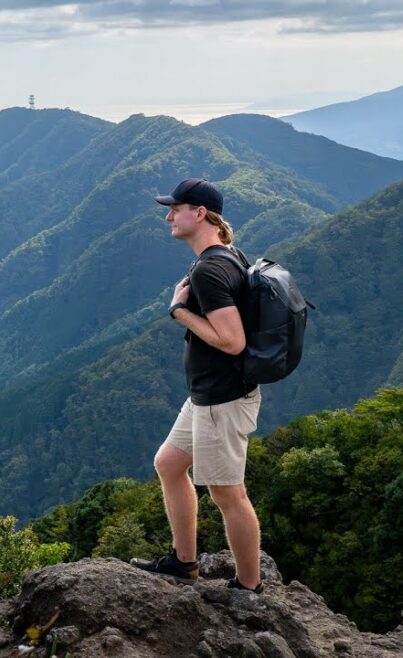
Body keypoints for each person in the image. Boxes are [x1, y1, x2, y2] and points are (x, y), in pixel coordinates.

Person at [130, 178, 264, 593]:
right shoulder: (227, 256)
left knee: (228, 495)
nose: (169, 216)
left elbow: (232, 340)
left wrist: (178, 311)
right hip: (208, 396)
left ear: (200, 214)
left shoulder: (210, 269)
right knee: (169, 463)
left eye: (176, 209)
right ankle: (184, 563)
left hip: (222, 401)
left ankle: (249, 589)